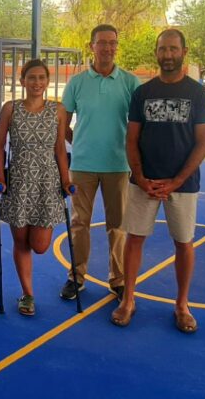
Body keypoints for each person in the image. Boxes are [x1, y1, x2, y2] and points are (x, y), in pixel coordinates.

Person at [111, 29, 205, 333]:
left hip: (183, 184)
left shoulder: (199, 95)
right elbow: (132, 139)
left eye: (173, 49)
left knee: (184, 242)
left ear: (184, 52)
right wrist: (141, 178)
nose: (167, 55)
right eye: (162, 49)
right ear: (156, 53)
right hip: (144, 182)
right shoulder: (142, 93)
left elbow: (203, 143)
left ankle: (182, 305)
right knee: (135, 239)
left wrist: (176, 181)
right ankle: (128, 299)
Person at [59, 24, 140, 302]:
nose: (107, 48)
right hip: (82, 166)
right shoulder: (77, 83)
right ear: (91, 46)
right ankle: (76, 276)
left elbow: (139, 126)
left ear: (117, 46)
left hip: (118, 165)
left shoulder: (131, 83)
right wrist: (79, 143)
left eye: (112, 42)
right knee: (79, 223)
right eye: (102, 42)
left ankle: (118, 279)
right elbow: (63, 123)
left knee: (117, 225)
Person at [0, 59, 71, 316]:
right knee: (20, 241)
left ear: (47, 81)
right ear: (22, 81)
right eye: (32, 78)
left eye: (41, 78)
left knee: (40, 245)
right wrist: (1, 178)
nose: (37, 83)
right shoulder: (10, 108)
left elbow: (60, 149)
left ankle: (27, 291)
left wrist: (66, 180)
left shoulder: (58, 110)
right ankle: (27, 294)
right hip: (19, 181)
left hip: (47, 182)